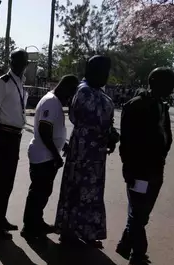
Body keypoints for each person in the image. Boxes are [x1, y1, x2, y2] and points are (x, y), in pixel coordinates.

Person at [116, 68, 174, 265]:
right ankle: (138, 255)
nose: (172, 87)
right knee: (138, 213)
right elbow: (127, 140)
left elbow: (165, 135)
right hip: (139, 169)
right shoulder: (136, 105)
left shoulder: (162, 106)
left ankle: (125, 244)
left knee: (142, 212)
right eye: (169, 82)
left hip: (156, 169)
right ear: (154, 81)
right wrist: (128, 169)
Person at [55, 56, 117, 248]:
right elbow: (94, 120)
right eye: (104, 72)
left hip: (95, 154)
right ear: (92, 72)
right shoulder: (84, 92)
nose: (107, 76)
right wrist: (110, 134)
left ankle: (88, 231)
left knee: (93, 193)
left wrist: (112, 134)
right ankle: (69, 231)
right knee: (76, 190)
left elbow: (106, 121)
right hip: (83, 152)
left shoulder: (98, 92)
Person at [22, 75, 80, 239]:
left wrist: (63, 145)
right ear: (66, 88)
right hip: (43, 156)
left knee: (43, 191)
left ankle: (36, 222)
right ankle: (30, 226)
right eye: (71, 93)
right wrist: (56, 155)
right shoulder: (51, 102)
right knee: (38, 192)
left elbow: (52, 130)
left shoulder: (54, 101)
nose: (70, 98)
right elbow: (44, 130)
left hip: (46, 154)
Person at [0, 49, 29, 239]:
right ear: (10, 62)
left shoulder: (20, 82)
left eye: (23, 61)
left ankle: (0, 218)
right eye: (16, 61)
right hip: (3, 136)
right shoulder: (1, 83)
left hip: (15, 137)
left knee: (8, 182)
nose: (19, 64)